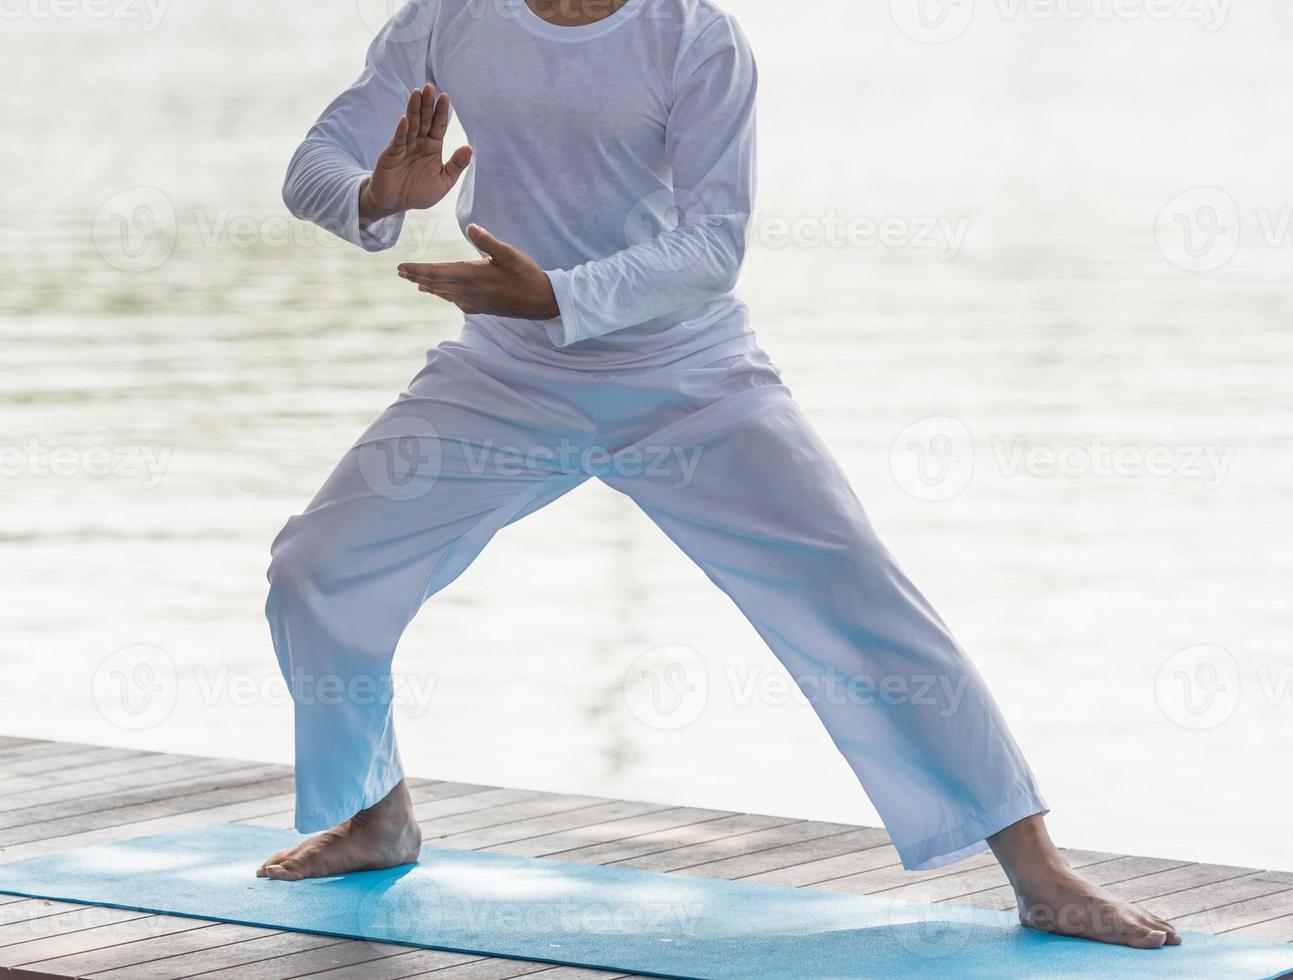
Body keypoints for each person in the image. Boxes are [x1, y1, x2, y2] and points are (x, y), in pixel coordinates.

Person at [257, 0, 1180, 949]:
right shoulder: (449, 20)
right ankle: (378, 816)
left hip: (686, 376)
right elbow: (312, 169)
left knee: (854, 591)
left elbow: (713, 245)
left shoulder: (693, 36)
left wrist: (562, 296)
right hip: (507, 373)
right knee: (318, 568)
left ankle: (1040, 874)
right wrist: (375, 196)